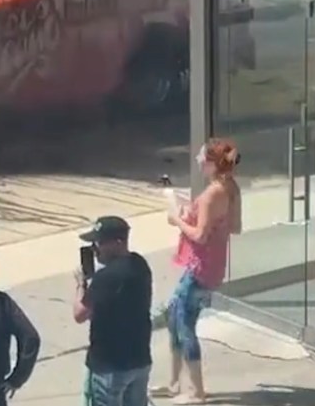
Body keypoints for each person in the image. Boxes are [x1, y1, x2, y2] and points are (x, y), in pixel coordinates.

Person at [151, 138, 242, 404]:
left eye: (203, 157)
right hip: (212, 267)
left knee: (183, 325)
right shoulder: (230, 188)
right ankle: (174, 383)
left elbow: (200, 235)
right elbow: (233, 226)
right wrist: (197, 212)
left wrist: (178, 219)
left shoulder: (213, 193)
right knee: (174, 319)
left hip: (198, 268)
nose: (199, 161)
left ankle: (195, 391)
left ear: (213, 163)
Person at [73, 216, 153, 406]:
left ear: (118, 242)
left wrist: (81, 284)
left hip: (109, 366)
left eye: (100, 242)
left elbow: (80, 314)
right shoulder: (139, 265)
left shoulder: (106, 278)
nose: (95, 248)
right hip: (139, 360)